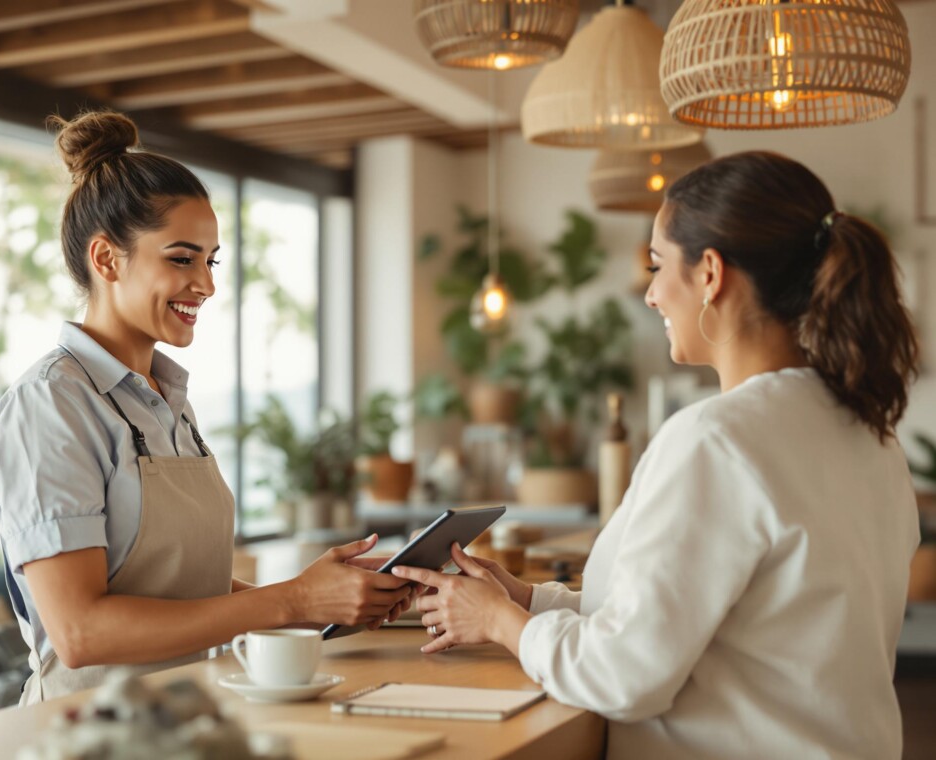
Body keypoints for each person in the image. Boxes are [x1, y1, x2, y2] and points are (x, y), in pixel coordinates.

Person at [394, 151, 921, 759]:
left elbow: (625, 676)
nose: (650, 295)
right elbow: (728, 622)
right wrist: (529, 600)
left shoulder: (716, 439)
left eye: (657, 264)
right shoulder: (872, 439)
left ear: (710, 274)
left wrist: (499, 624)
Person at [0, 110, 411, 704]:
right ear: (106, 260)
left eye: (211, 261)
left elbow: (183, 592)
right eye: (182, 258)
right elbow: (80, 631)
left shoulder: (165, 400)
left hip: (189, 718)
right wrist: (292, 600)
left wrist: (316, 598)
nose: (206, 284)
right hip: (89, 735)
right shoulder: (49, 407)